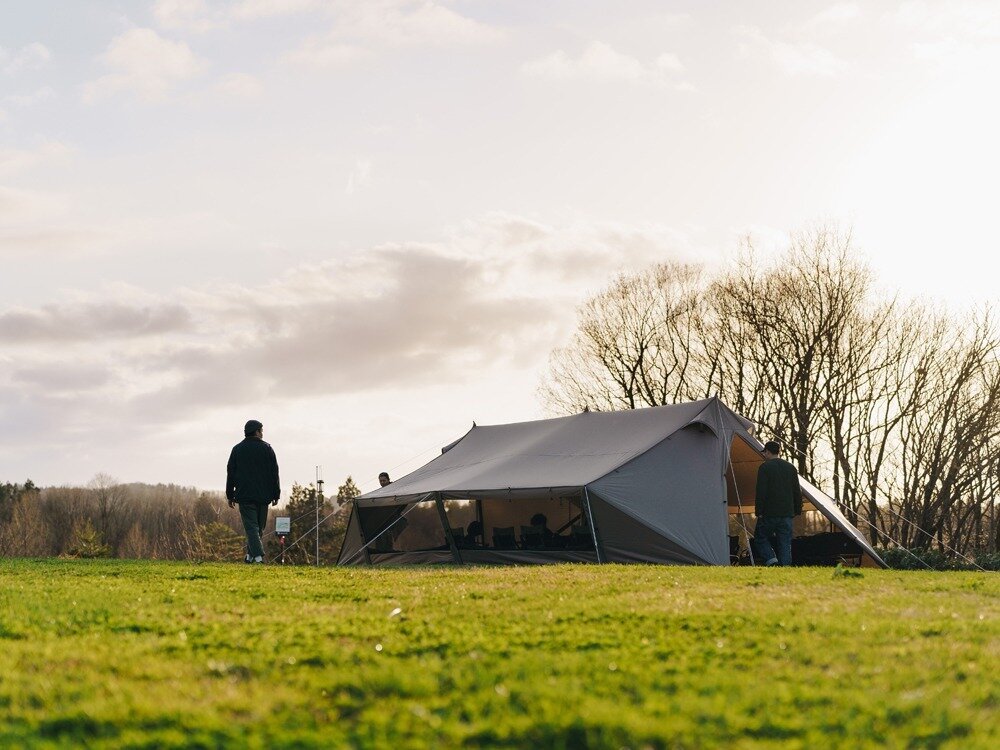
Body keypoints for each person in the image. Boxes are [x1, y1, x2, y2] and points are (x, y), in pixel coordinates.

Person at [226, 420, 280, 564]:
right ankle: (258, 557)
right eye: (261, 431)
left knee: (253, 528)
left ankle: (250, 556)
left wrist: (230, 495)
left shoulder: (237, 449)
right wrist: (276, 494)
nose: (262, 433)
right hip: (264, 495)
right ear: (257, 431)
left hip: (244, 495)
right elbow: (274, 473)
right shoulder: (267, 449)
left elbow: (230, 473)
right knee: (257, 528)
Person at [752, 440, 803, 566]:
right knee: (785, 542)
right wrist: (797, 509)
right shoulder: (791, 468)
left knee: (760, 538)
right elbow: (797, 490)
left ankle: (771, 560)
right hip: (787, 513)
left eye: (765, 452)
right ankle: (785, 567)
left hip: (769, 513)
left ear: (768, 452)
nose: (764, 455)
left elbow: (761, 491)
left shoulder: (764, 467)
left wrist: (759, 511)